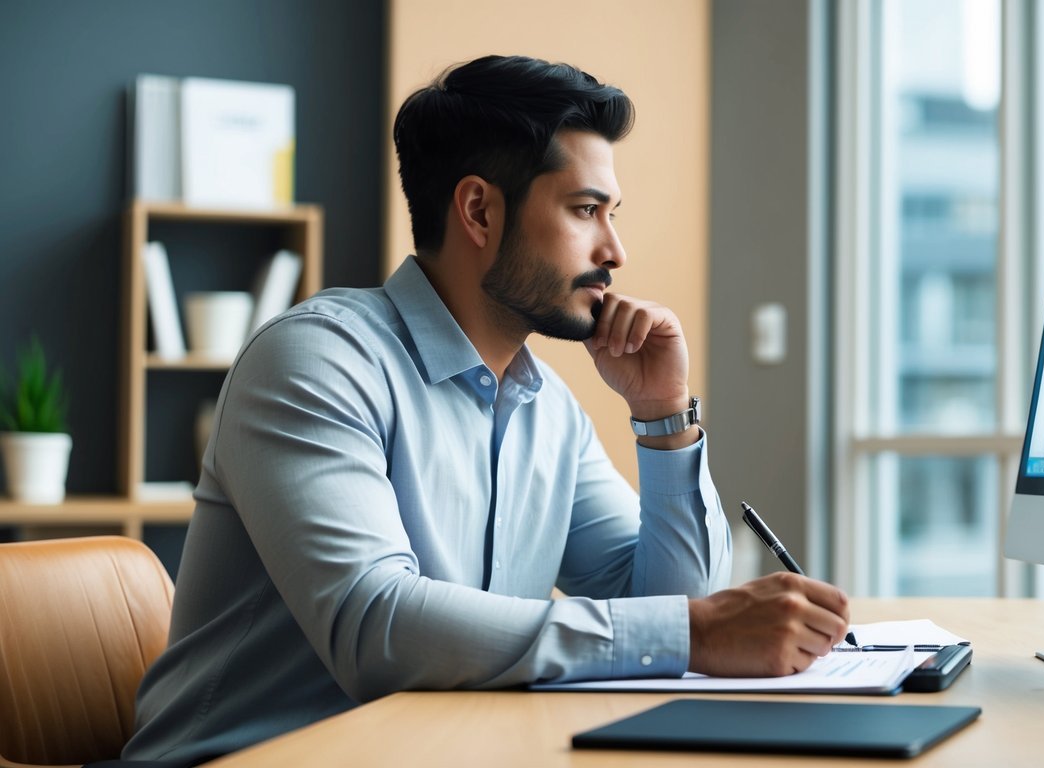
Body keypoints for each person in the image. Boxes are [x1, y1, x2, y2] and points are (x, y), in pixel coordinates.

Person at [123, 55, 850, 763]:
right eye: (585, 210)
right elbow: (373, 628)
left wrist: (662, 416)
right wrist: (693, 632)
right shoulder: (316, 363)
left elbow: (667, 604)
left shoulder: (548, 411)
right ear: (478, 210)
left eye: (611, 213)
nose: (615, 250)